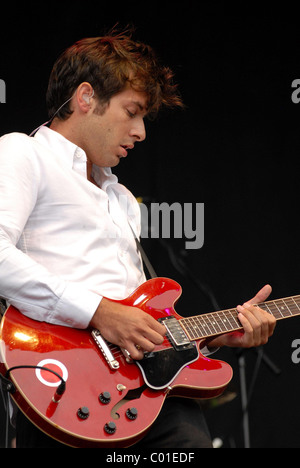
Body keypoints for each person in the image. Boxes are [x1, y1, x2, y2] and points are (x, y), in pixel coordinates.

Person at [0, 29, 276, 448]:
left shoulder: (122, 198)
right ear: (86, 98)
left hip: (146, 390)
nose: (141, 131)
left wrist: (217, 336)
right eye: (132, 111)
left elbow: (141, 314)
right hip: (61, 382)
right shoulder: (23, 153)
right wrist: (99, 312)